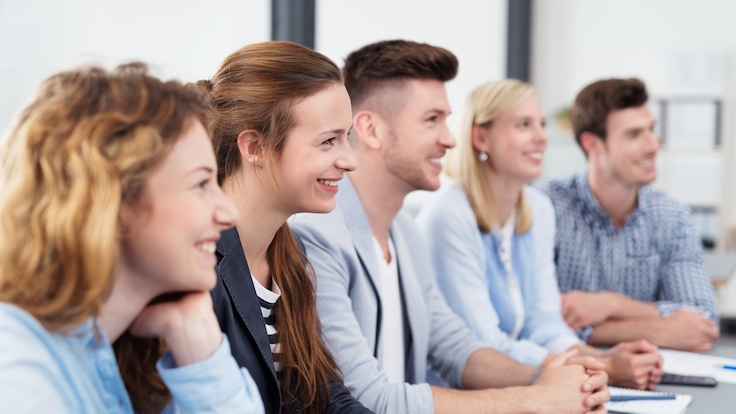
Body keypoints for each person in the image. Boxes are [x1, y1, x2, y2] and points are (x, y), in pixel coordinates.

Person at [291, 39, 609, 414]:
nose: (450, 138)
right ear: (372, 130)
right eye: (431, 120)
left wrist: (552, 376)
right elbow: (367, 398)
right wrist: (536, 398)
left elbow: (455, 348)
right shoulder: (316, 235)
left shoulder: (405, 234)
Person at [0, 63, 264, 413]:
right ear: (112, 200)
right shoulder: (19, 369)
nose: (228, 213)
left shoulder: (118, 356)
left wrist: (196, 337)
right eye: (201, 183)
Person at [416, 78, 663, 390]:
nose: (541, 138)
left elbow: (543, 322)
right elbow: (484, 344)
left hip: (524, 387)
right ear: (481, 137)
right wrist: (601, 367)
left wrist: (593, 356)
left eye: (542, 124)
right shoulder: (448, 216)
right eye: (523, 125)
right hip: (463, 397)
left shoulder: (538, 208)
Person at [198, 41, 372, 414]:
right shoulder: (199, 262)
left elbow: (318, 395)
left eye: (347, 138)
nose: (349, 160)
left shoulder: (289, 255)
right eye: (329, 141)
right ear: (255, 147)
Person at [538, 78, 720, 351]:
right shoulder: (546, 209)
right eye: (634, 135)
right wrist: (662, 328)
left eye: (651, 129)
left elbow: (702, 322)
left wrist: (610, 304)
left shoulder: (671, 217)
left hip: (653, 380)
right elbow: (536, 322)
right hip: (567, 378)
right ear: (592, 144)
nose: (652, 145)